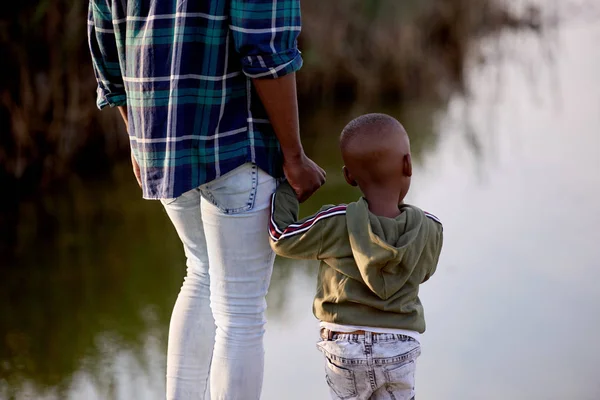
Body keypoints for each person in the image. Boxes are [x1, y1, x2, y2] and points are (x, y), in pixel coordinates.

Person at [87, 0, 325, 399]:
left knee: (199, 273)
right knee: (241, 313)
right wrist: (295, 157)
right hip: (235, 143)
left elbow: (105, 44)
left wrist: (136, 136)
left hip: (159, 143)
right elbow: (265, 49)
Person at [269, 114, 443, 400]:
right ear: (408, 164)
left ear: (349, 176)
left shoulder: (337, 222)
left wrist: (286, 187)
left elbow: (282, 238)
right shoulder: (431, 229)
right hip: (400, 347)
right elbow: (423, 271)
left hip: (344, 345)